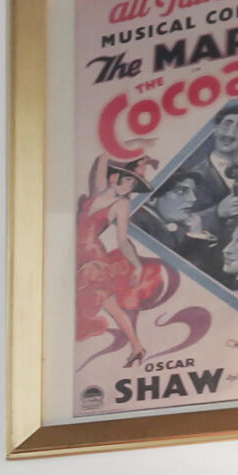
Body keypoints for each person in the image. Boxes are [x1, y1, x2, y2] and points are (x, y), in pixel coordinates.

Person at [76, 155, 172, 366]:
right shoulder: (99, 189)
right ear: (115, 177)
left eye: (133, 184)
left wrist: (137, 265)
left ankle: (136, 346)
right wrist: (136, 151)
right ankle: (137, 347)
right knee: (106, 305)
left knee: (109, 305)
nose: (130, 187)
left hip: (92, 258)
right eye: (128, 180)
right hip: (75, 253)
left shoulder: (122, 204)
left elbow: (122, 240)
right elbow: (103, 157)